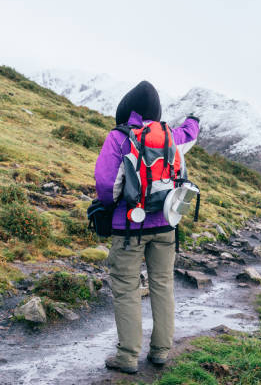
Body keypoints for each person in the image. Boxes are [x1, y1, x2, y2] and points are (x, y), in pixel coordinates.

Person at [94, 81, 199, 373]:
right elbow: (191, 132)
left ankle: (127, 357)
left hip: (128, 227)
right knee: (163, 285)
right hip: (167, 224)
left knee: (127, 289)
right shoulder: (171, 136)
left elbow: (106, 185)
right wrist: (193, 120)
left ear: (128, 108)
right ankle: (161, 351)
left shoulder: (119, 136)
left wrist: (110, 206)